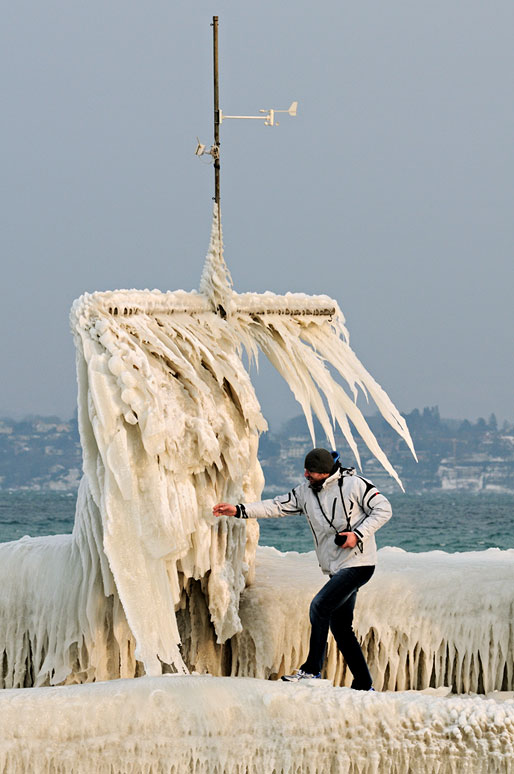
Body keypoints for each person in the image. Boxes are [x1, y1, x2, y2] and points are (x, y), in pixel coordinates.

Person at [213, 447, 392, 689]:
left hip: (359, 563)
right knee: (340, 626)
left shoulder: (355, 484)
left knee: (320, 606)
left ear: (326, 472)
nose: (306, 475)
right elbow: (276, 506)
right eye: (306, 470)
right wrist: (238, 510)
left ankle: (311, 670)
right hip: (336, 567)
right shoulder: (305, 492)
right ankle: (364, 684)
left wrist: (357, 535)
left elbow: (384, 509)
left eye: (312, 472)